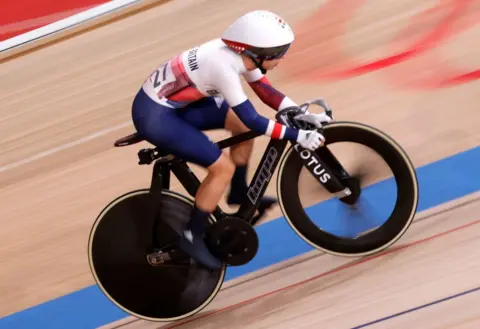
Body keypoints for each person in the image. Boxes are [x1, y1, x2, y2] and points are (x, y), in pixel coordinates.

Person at [131, 10, 333, 269]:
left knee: (238, 126)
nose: (282, 57)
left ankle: (239, 192)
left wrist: (301, 114)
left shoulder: (242, 55)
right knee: (221, 168)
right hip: (156, 116)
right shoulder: (223, 67)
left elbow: (265, 91)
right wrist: (298, 135)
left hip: (175, 104)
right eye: (278, 52)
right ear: (258, 53)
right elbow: (254, 120)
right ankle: (191, 236)